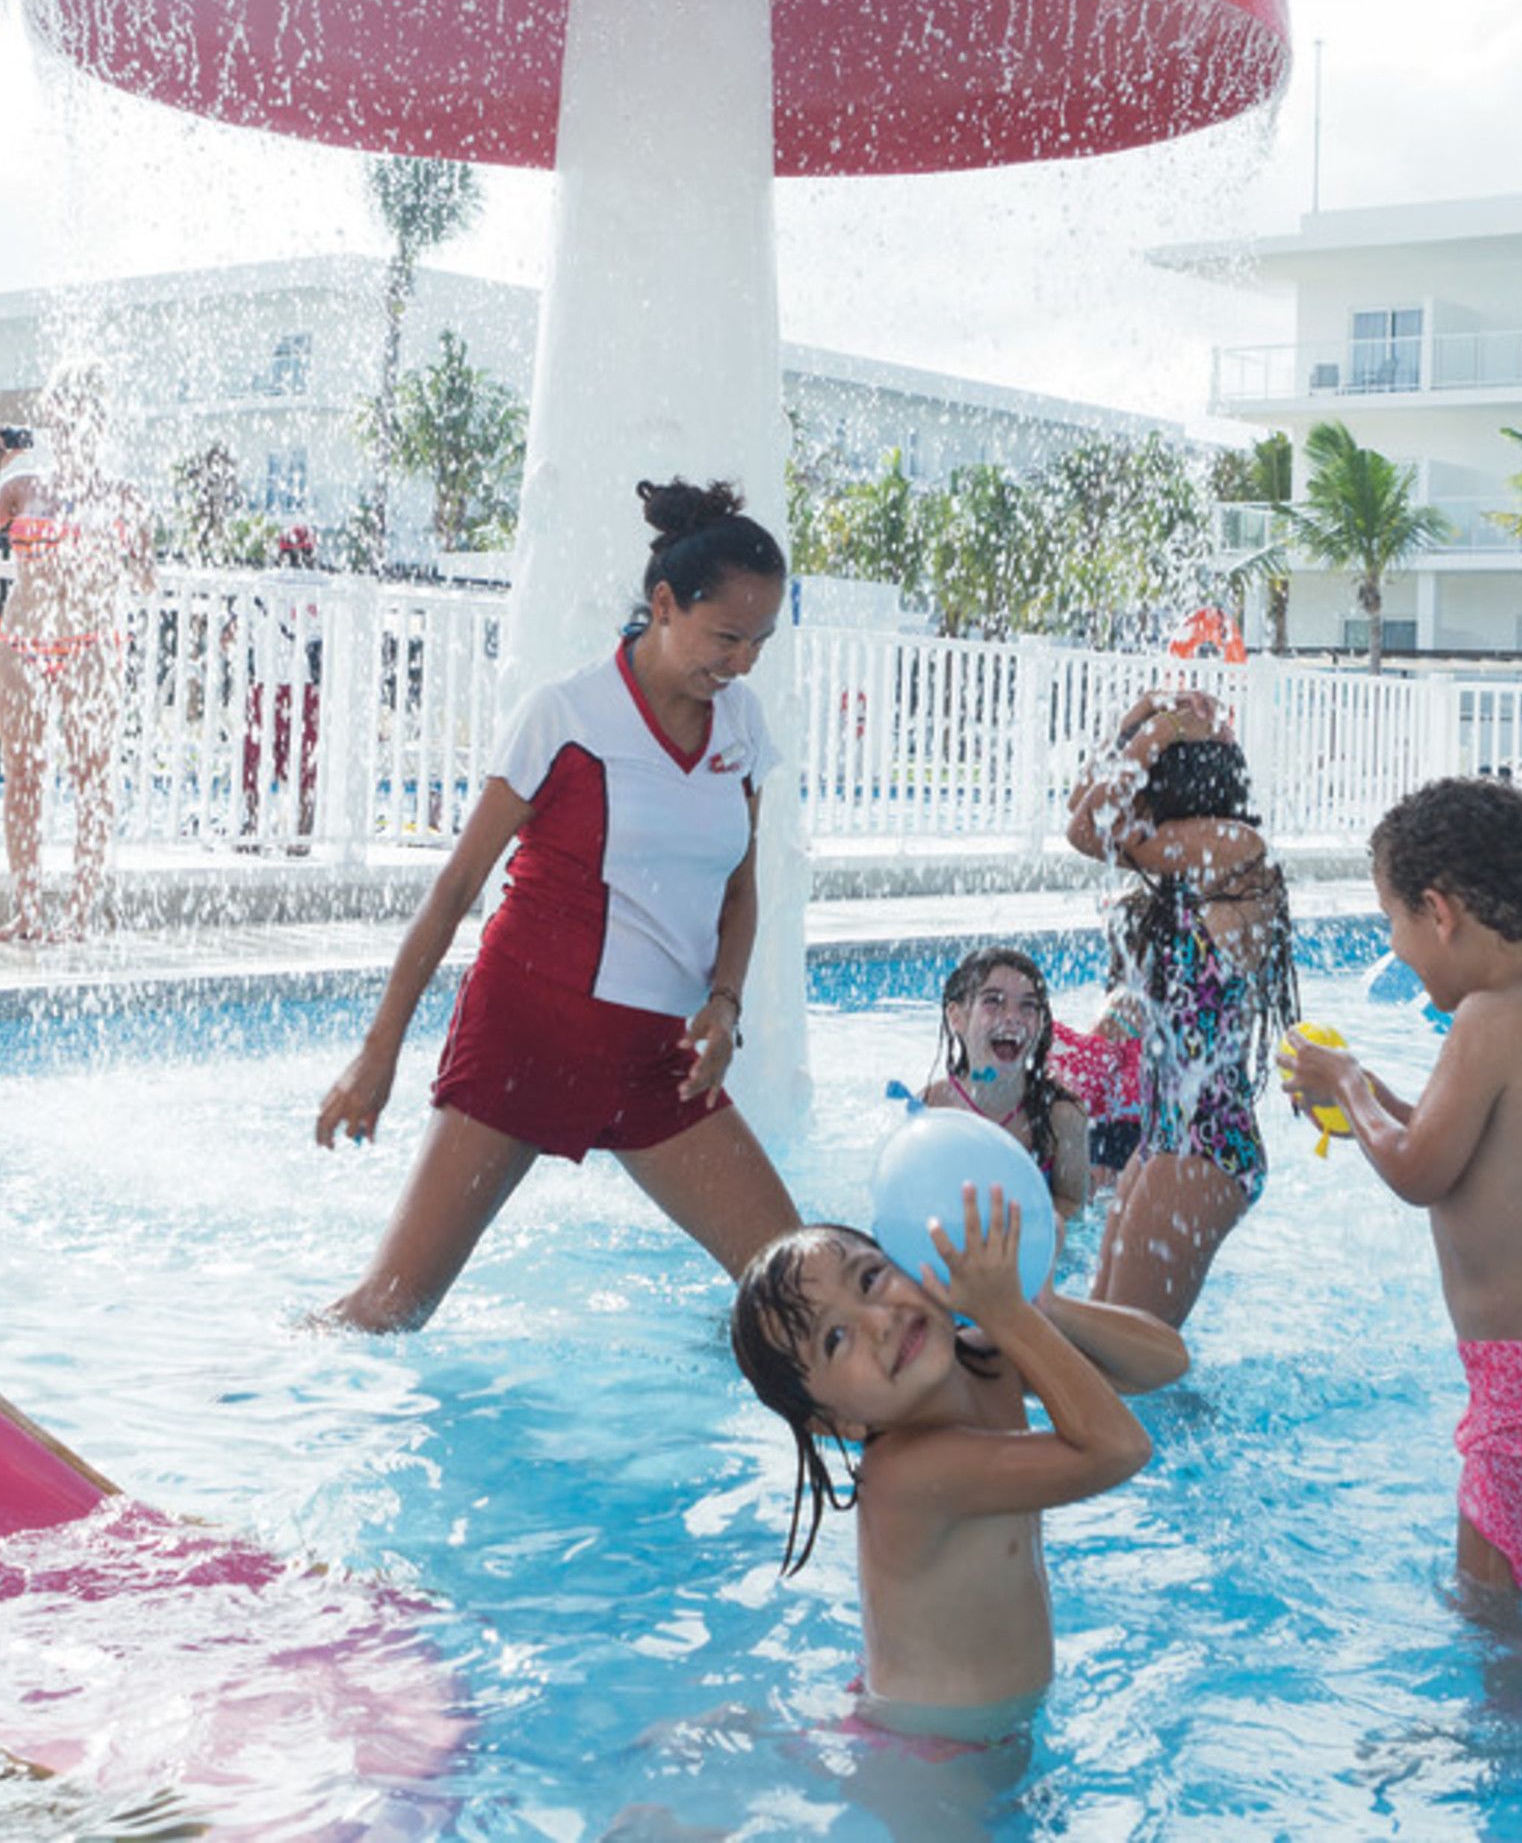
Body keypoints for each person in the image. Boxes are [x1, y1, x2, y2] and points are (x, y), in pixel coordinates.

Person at [312, 480, 801, 1329]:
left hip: (659, 1062)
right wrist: (377, 1054)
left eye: (759, 640)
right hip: (529, 1036)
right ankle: (236, 1398)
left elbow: (740, 886)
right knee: (391, 1308)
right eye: (727, 637)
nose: (743, 661)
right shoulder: (567, 713)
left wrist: (726, 1003)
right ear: (663, 605)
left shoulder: (743, 725)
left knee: (798, 1287)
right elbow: (455, 890)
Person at [1279, 777, 1522, 1600]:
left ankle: (1515, 1727)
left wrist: (1347, 1083)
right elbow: (1461, 1147)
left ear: (1438, 912)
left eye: (1392, 923)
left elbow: (1416, 1170)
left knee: (1489, 1615)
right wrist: (1363, 1094)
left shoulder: (1485, 1018)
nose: (1396, 947)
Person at [730, 1191, 1183, 1744]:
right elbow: (1119, 1450)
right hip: (932, 1751)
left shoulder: (987, 1355)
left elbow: (1164, 1364)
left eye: (871, 1279)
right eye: (835, 1338)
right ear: (836, 1423)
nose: (880, 1321)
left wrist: (1044, 1307)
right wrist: (1011, 1316)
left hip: (973, 1721)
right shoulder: (907, 1474)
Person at [1066, 688, 1297, 1325]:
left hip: (1206, 1144)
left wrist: (1160, 729)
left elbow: (1087, 829)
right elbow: (1081, 807)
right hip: (1168, 1135)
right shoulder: (1191, 864)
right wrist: (1135, 720)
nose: (1125, 781)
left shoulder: (1237, 848)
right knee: (1104, 1331)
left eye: (1139, 772)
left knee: (1132, 1352)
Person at [0, 371, 154, 943]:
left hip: (90, 645)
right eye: (62, 418)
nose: (71, 429)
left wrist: (123, 547)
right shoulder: (22, 486)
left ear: (101, 424)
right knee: (24, 776)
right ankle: (28, 912)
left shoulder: (123, 496)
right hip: (22, 642)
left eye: (82, 417)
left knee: (91, 778)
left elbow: (144, 580)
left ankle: (79, 914)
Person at [920, 948, 1091, 1219]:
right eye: (994, 1001)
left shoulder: (1063, 1116)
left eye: (1028, 1006)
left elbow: (1071, 1204)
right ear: (957, 1017)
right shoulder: (930, 1108)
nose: (1013, 1017)